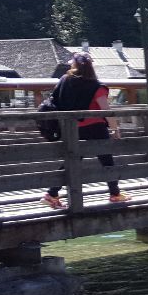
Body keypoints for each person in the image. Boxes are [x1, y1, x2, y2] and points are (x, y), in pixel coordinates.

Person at [42, 54, 130, 208]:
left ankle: (52, 193)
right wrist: (115, 128)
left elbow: (54, 101)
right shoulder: (96, 86)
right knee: (107, 161)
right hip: (95, 128)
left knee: (71, 161)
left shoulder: (64, 81)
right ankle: (115, 194)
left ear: (74, 65)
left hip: (71, 128)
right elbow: (106, 110)